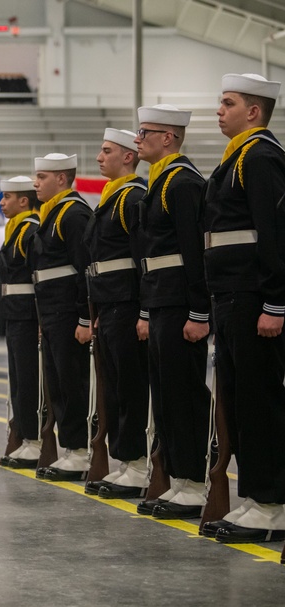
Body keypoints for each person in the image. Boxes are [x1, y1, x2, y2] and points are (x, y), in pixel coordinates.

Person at [200, 73, 285, 543]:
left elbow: (274, 235)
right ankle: (255, 498)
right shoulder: (233, 160)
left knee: (259, 402)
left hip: (254, 298)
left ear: (253, 112)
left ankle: (273, 503)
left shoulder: (261, 157)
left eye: (228, 103)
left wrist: (275, 302)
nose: (219, 110)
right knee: (236, 401)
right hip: (231, 296)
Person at [132, 104, 210, 519]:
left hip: (180, 300)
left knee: (184, 394)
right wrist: (146, 309)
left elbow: (194, 252)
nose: (137, 139)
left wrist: (199, 312)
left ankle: (194, 484)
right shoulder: (157, 182)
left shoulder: (183, 183)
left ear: (169, 138)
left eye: (145, 132)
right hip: (160, 298)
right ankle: (178, 480)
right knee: (164, 396)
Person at [84, 129, 151, 499]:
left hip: (127, 305)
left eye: (107, 151)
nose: (99, 157)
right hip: (109, 306)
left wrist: (143, 311)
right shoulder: (111, 199)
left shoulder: (132, 198)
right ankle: (126, 461)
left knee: (131, 386)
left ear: (128, 157)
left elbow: (142, 258)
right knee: (113, 389)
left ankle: (138, 463)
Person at [29, 153, 93, 481]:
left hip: (69, 311)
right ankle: (71, 449)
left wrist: (84, 318)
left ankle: (80, 451)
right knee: (57, 383)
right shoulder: (51, 214)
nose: (35, 184)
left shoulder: (74, 214)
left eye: (42, 177)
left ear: (62, 179)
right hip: (52, 311)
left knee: (72, 381)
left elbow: (85, 269)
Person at [0, 176, 42, 468]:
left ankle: (35, 440)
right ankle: (24, 436)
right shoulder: (15, 230)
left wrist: (40, 319)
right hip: (14, 312)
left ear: (24, 201)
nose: (2, 202)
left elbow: (38, 278)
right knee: (17, 381)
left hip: (28, 314)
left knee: (29, 380)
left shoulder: (31, 231)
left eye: (8, 196)